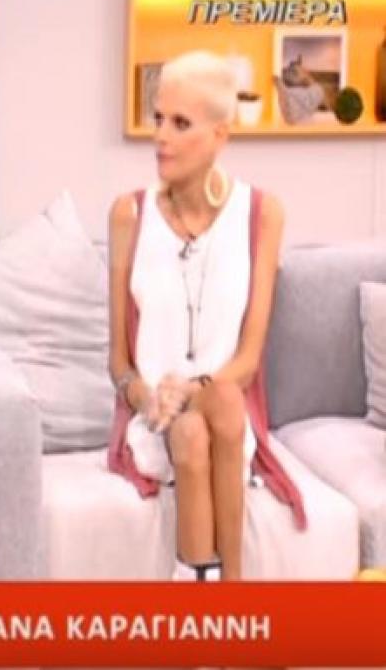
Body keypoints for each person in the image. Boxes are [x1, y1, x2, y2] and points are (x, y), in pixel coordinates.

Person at [107, 51, 306, 582]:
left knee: (216, 404)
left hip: (227, 417)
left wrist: (192, 389)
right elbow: (119, 362)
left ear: (220, 136)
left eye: (180, 123)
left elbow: (248, 360)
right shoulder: (129, 214)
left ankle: (207, 596)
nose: (160, 137)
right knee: (190, 430)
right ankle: (228, 598)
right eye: (158, 119)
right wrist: (149, 397)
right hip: (155, 420)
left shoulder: (262, 214)